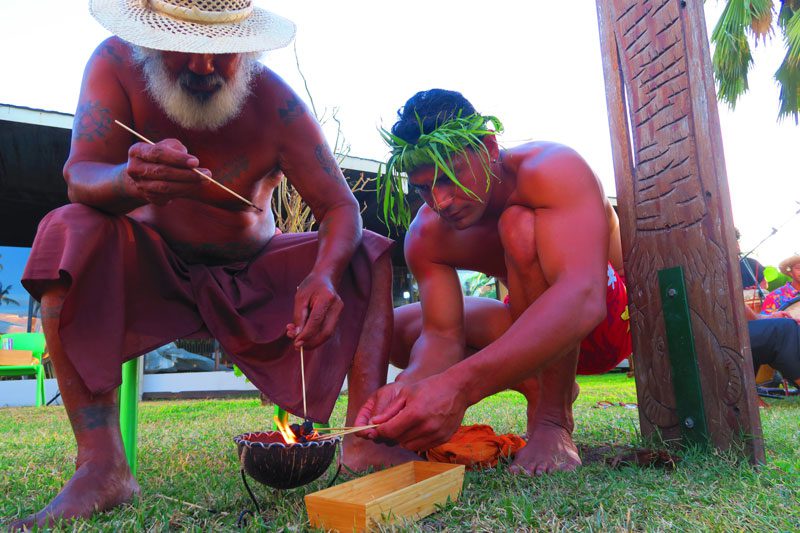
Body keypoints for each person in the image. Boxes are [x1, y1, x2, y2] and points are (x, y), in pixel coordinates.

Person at [11, 1, 414, 528]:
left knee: (367, 253)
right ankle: (101, 466)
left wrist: (322, 275)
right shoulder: (115, 66)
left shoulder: (276, 104)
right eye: (186, 44)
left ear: (246, 47)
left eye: (220, 52)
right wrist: (126, 183)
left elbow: (341, 207)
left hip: (256, 275)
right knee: (67, 229)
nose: (202, 66)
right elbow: (79, 174)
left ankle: (362, 443)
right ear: (151, 37)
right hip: (150, 273)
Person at [355, 89, 631, 475]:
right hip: (536, 325)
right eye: (422, 187)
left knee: (518, 226)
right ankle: (543, 384)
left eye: (449, 176)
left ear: (488, 147)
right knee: (401, 329)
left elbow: (582, 297)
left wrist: (458, 388)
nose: (440, 201)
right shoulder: (427, 235)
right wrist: (411, 391)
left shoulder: (552, 169)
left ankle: (552, 417)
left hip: (606, 325)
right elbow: (441, 337)